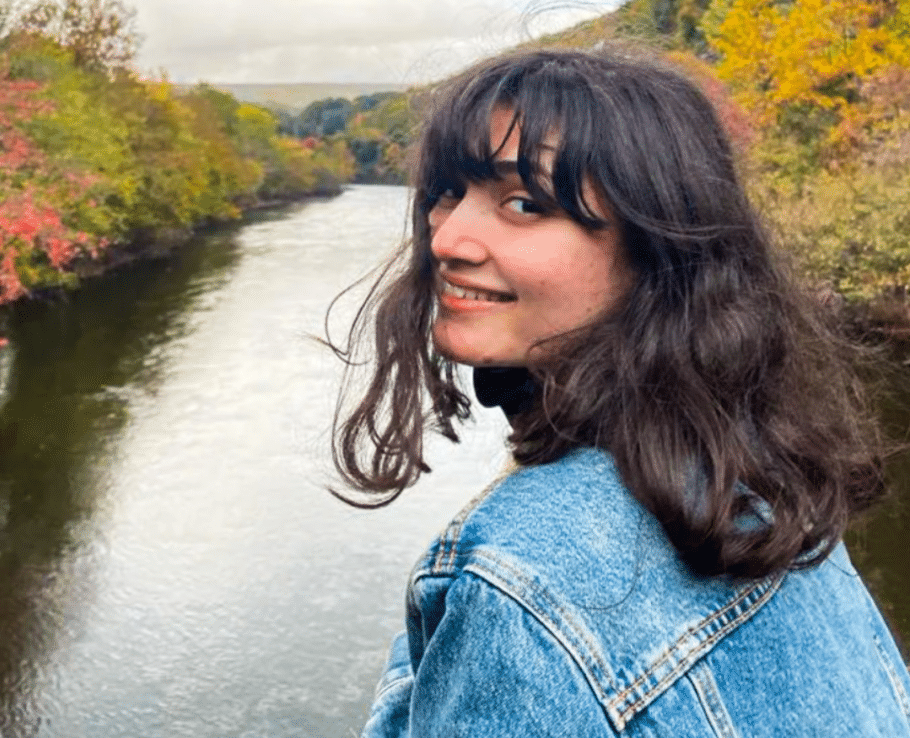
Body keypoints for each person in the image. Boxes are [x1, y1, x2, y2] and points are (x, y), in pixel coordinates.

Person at [329, 46, 910, 737]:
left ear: (657, 248)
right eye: (448, 192)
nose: (448, 237)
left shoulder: (518, 576)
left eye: (523, 203)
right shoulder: (768, 477)